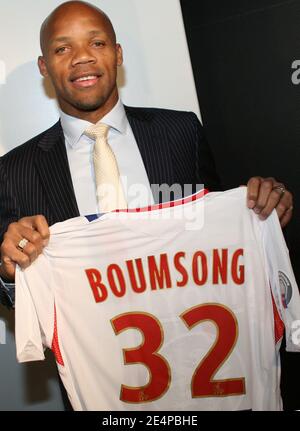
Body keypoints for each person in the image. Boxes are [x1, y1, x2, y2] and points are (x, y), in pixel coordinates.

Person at [0, 0, 294, 303]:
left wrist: (262, 209)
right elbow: (9, 294)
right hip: (89, 347)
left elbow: (219, 231)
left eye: (97, 42)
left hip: (195, 331)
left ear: (117, 54)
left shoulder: (181, 131)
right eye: (63, 49)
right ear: (44, 66)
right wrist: (9, 272)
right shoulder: (14, 171)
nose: (82, 57)